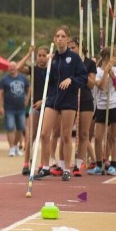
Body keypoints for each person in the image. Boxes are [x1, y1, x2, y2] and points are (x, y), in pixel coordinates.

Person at [36, 25, 88, 181]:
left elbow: (83, 78)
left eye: (63, 36)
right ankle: (45, 167)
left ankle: (66, 169)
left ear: (67, 39)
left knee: (66, 136)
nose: (59, 39)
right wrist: (48, 63)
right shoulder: (53, 58)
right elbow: (48, 81)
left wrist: (71, 80)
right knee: (45, 134)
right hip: (53, 99)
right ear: (54, 39)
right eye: (57, 36)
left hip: (68, 100)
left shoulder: (74, 58)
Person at [88, 47, 116, 175]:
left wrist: (113, 75)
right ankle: (99, 165)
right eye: (114, 55)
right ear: (106, 58)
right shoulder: (97, 71)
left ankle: (113, 165)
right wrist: (106, 72)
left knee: (114, 137)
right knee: (98, 137)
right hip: (102, 106)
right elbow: (101, 86)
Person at [19, 45, 49, 176]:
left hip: (48, 106)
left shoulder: (51, 70)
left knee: (44, 136)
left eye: (44, 55)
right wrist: (28, 53)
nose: (41, 58)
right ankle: (26, 163)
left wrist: (45, 100)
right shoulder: (33, 69)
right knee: (30, 136)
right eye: (39, 55)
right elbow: (19, 67)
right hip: (35, 107)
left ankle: (43, 164)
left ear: (48, 56)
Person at [69, 36, 97, 176]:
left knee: (84, 133)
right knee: (67, 133)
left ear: (80, 47)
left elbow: (92, 84)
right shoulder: (68, 61)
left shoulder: (89, 63)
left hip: (85, 99)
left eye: (73, 47)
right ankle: (65, 163)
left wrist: (82, 73)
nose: (71, 50)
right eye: (70, 48)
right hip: (71, 99)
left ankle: (79, 163)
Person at [0, 61, 30, 157]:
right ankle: (11, 148)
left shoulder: (23, 79)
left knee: (21, 128)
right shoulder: (4, 80)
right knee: (10, 127)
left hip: (21, 108)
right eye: (10, 66)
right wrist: (0, 106)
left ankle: (15, 146)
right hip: (9, 108)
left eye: (14, 66)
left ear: (17, 68)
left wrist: (27, 100)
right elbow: (0, 93)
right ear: (8, 68)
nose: (12, 68)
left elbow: (29, 89)